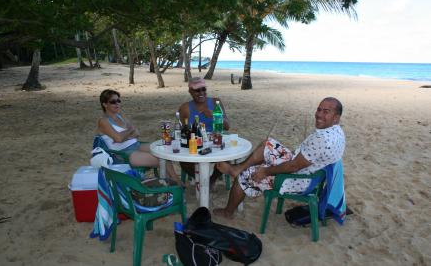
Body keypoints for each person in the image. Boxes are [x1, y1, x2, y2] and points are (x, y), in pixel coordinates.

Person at [213, 97, 346, 219]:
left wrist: (264, 171)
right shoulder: (337, 132)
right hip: (306, 170)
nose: (319, 114)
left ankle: (228, 212)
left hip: (299, 179)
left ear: (336, 117)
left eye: (326, 111)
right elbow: (305, 158)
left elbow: (294, 166)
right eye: (319, 109)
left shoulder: (322, 139)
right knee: (267, 144)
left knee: (248, 174)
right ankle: (236, 168)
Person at [97, 89, 182, 185]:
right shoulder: (103, 121)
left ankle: (170, 181)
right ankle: (176, 181)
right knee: (161, 159)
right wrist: (128, 132)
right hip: (123, 154)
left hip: (136, 145)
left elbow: (136, 133)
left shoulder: (120, 116)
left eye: (118, 101)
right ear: (105, 104)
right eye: (113, 102)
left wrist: (125, 135)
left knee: (163, 150)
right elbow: (119, 138)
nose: (117, 104)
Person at [177, 77, 230, 184]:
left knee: (226, 159)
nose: (201, 92)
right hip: (195, 144)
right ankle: (200, 179)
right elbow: (183, 131)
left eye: (203, 89)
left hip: (215, 142)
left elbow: (227, 126)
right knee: (183, 161)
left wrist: (214, 116)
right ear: (190, 91)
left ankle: (210, 181)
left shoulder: (216, 102)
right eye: (197, 90)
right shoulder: (185, 108)